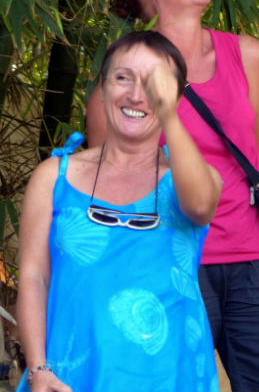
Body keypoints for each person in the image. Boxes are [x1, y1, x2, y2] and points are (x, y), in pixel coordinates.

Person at [86, 0, 259, 392]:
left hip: (257, 262)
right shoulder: (121, 81)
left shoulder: (246, 54)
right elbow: (105, 187)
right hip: (165, 260)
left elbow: (254, 159)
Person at [17, 30, 222, 392]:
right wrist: (38, 370)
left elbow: (202, 206)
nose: (136, 94)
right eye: (123, 77)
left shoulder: (193, 180)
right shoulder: (54, 176)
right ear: (102, 87)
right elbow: (34, 277)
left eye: (154, 84)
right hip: (67, 377)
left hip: (171, 378)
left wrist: (168, 116)